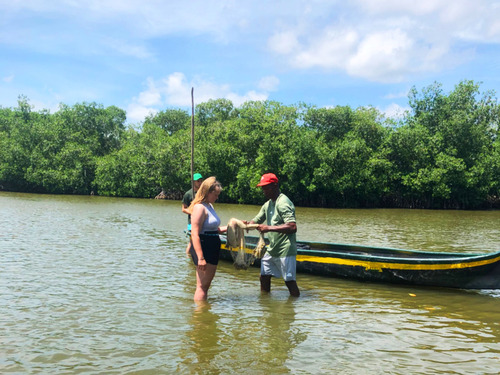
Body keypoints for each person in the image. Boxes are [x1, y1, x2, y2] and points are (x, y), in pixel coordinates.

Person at [247, 173, 300, 297]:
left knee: (289, 281)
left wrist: (268, 228)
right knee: (264, 276)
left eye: (266, 187)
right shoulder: (268, 204)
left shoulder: (283, 202)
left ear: (275, 186)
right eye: (262, 187)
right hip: (272, 249)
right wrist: (247, 224)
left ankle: (293, 307)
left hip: (285, 249)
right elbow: (257, 220)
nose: (264, 190)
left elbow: (292, 226)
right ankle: (265, 304)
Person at [187, 176, 227, 301]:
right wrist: (201, 258)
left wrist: (231, 226)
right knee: (202, 286)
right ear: (208, 192)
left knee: (205, 285)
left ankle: (201, 311)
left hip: (212, 245)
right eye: (215, 194)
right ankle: (200, 316)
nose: (217, 197)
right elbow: (195, 234)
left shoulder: (209, 206)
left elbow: (215, 229)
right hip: (204, 247)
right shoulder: (200, 208)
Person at [182, 173, 204, 255]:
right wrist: (193, 212)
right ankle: (188, 257)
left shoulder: (202, 193)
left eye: (201, 181)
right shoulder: (188, 194)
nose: (200, 183)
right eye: (198, 181)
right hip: (192, 222)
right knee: (192, 242)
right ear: (194, 182)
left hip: (202, 221)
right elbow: (183, 209)